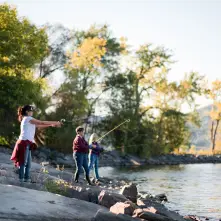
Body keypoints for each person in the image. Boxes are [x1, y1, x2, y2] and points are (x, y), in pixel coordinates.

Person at [11, 105, 62, 182]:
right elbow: (41, 122)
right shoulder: (28, 118)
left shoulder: (28, 119)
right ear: (27, 112)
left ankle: (26, 179)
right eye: (31, 111)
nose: (32, 112)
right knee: (23, 163)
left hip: (26, 143)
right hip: (24, 143)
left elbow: (39, 125)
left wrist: (51, 125)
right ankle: (21, 180)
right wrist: (56, 122)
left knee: (28, 164)